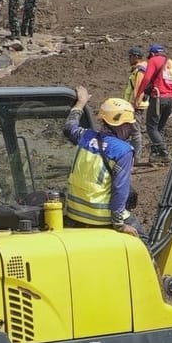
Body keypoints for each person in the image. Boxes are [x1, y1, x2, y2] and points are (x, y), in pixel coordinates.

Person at [63, 86, 141, 236]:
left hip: (74, 213)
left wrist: (80, 103)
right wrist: (119, 224)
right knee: (143, 240)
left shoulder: (84, 136)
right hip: (100, 216)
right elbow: (120, 189)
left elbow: (69, 127)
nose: (131, 130)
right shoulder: (123, 151)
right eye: (129, 126)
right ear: (122, 126)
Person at [134, 44, 172, 162]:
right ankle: (155, 155)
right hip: (171, 98)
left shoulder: (153, 60)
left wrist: (139, 94)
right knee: (159, 128)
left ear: (152, 54)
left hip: (158, 97)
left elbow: (147, 78)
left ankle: (163, 152)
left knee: (151, 127)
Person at [123, 46, 148, 162]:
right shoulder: (138, 70)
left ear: (136, 57)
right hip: (133, 105)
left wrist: (134, 104)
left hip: (135, 106)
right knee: (131, 130)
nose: (129, 59)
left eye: (130, 56)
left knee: (135, 131)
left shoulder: (140, 71)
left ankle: (136, 157)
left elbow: (138, 89)